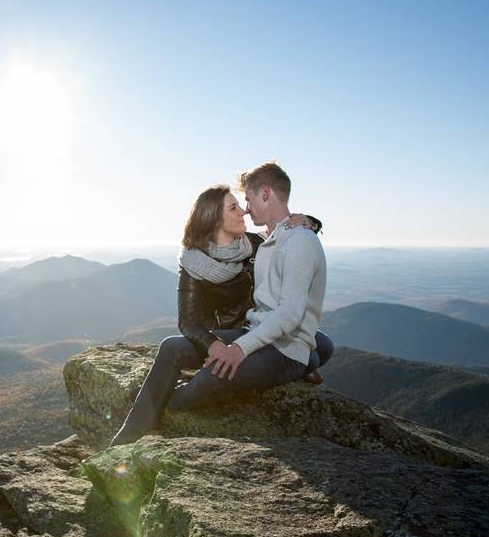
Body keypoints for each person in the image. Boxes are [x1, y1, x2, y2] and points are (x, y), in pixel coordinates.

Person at [110, 163, 331, 447]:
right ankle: (127, 436)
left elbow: (290, 309)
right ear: (214, 219)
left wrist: (309, 222)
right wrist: (218, 345)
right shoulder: (213, 255)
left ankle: (161, 405)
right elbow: (188, 320)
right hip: (246, 333)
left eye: (247, 201)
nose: (245, 210)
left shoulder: (263, 243)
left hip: (275, 344)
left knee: (209, 380)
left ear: (265, 193)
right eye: (236, 207)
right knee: (170, 347)